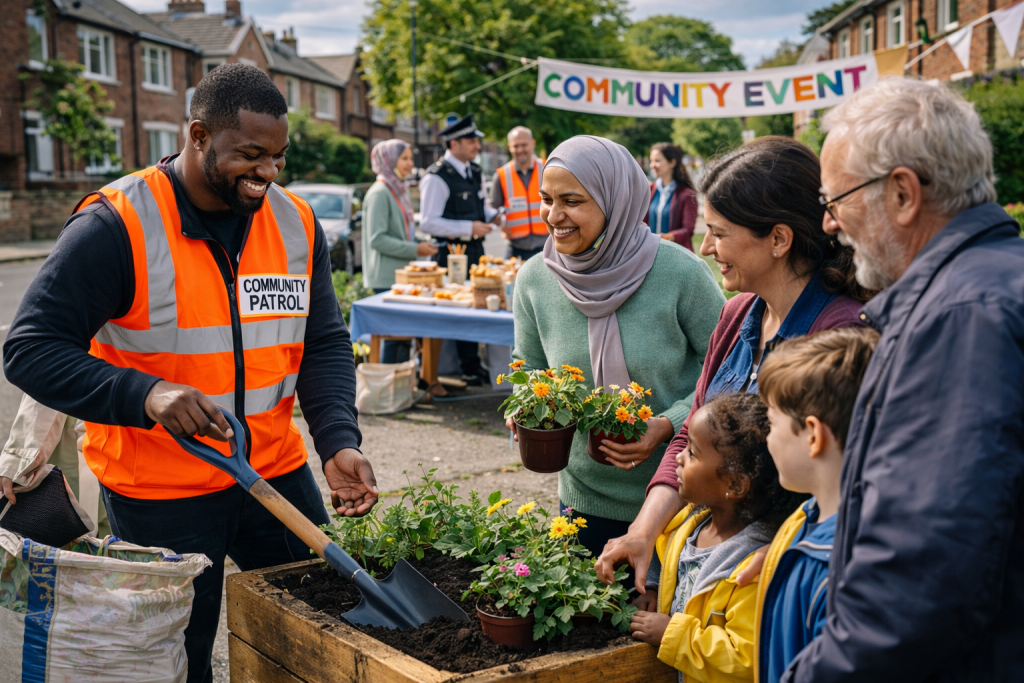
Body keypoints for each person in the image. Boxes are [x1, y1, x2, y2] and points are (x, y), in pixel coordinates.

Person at [2, 64, 379, 683]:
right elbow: (30, 349)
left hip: (274, 473)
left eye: (279, 158)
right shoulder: (115, 224)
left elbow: (324, 341)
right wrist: (143, 393)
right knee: (178, 658)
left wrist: (338, 438)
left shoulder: (296, 223)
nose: (267, 174)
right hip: (160, 492)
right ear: (198, 135)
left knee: (316, 631)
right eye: (251, 155)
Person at [781, 79, 1024, 682]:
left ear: (902, 193)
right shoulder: (992, 286)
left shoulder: (962, 318)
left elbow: (920, 582)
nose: (830, 224)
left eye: (836, 200)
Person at [596, 136, 868, 595]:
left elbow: (853, 482)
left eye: (719, 233)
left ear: (779, 239)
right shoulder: (738, 313)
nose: (705, 247)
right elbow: (690, 436)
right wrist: (642, 532)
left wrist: (786, 551)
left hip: (781, 580)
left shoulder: (841, 336)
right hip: (714, 565)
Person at [509, 135, 725, 561]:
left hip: (679, 495)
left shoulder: (681, 273)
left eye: (571, 200)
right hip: (582, 499)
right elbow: (528, 365)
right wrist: (525, 406)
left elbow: (726, 367)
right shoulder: (535, 278)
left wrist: (667, 424)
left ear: (616, 200)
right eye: (546, 199)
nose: (554, 216)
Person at [629, 393, 805, 683]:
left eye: (693, 453)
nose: (678, 457)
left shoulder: (752, 568)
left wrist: (672, 633)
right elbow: (672, 564)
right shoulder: (690, 524)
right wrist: (653, 591)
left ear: (735, 484)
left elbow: (745, 658)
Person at [754, 328, 879, 683]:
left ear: (813, 434)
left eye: (771, 422)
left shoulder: (839, 567)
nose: (766, 437)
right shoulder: (808, 520)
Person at [419, 114, 499, 385]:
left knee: (475, 305)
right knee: (455, 308)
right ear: (454, 143)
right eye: (471, 140)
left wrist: (495, 215)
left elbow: (481, 206)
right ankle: (455, 368)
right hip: (450, 254)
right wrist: (469, 228)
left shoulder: (475, 171)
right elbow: (429, 222)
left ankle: (471, 364)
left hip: (476, 251)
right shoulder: (436, 177)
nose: (477, 145)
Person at [363, 139, 438, 363]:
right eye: (404, 158)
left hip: (401, 274)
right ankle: (388, 391)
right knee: (393, 336)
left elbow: (401, 232)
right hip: (387, 277)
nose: (410, 164)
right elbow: (377, 240)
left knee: (403, 335)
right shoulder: (379, 192)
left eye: (410, 159)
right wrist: (416, 248)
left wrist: (423, 241)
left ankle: (402, 387)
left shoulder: (398, 188)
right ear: (389, 161)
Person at [490, 126, 548, 260]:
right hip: (515, 249)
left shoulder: (547, 169)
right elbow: (492, 210)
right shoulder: (501, 175)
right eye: (516, 146)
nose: (520, 150)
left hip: (546, 247)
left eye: (524, 145)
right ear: (510, 147)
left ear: (532, 144)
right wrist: (501, 222)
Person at [645, 143, 698, 251]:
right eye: (651, 161)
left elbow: (688, 230)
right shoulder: (649, 190)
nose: (652, 165)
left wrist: (664, 237)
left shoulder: (686, 194)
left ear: (672, 162)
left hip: (677, 255)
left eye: (657, 161)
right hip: (651, 253)